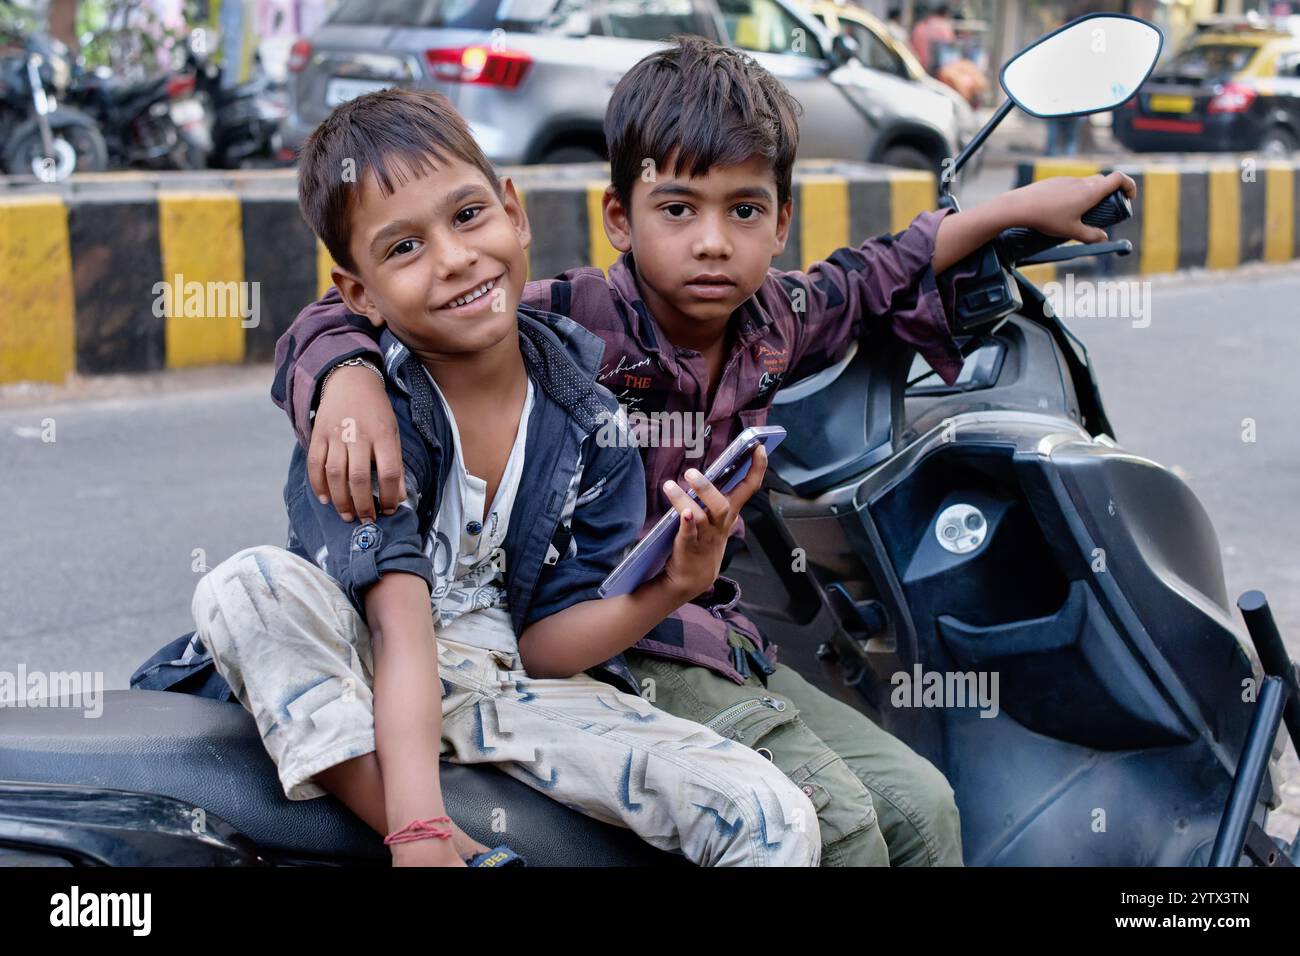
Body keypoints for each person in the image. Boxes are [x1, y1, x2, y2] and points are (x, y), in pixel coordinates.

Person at [272, 36, 1137, 866]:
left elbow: (876, 273)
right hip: (617, 646)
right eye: (678, 210)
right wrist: (345, 372)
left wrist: (1015, 210)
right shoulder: (567, 328)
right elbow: (383, 304)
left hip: (721, 635)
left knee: (925, 809)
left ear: (780, 223)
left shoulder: (773, 323)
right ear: (620, 216)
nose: (713, 242)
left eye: (745, 211)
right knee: (839, 827)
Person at [192, 86, 824, 867]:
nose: (455, 258)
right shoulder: (369, 417)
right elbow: (398, 627)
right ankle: (435, 839)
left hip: (517, 692)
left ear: (514, 212)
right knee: (246, 584)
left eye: (466, 216)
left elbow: (550, 648)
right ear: (358, 295)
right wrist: (419, 836)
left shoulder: (590, 417)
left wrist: (674, 585)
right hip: (370, 668)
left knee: (772, 817)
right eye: (403, 248)